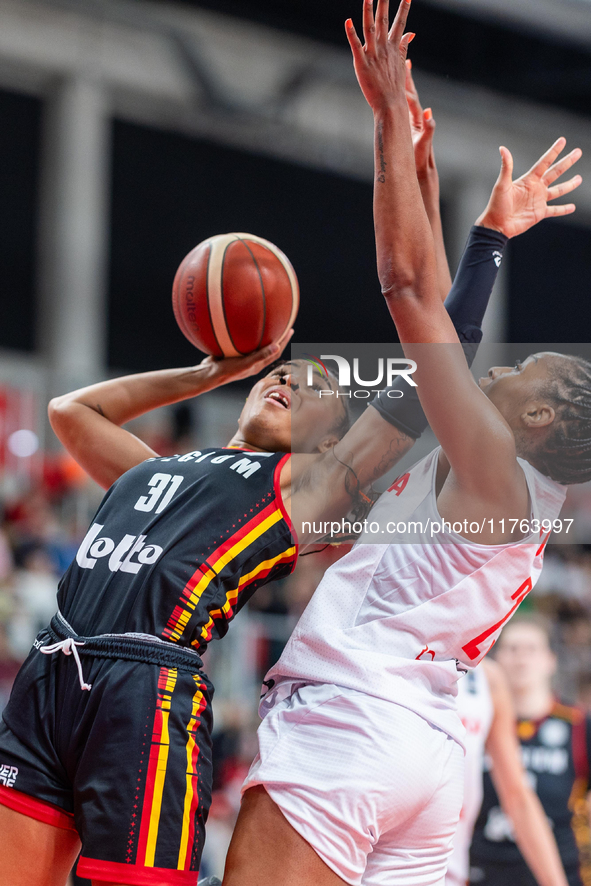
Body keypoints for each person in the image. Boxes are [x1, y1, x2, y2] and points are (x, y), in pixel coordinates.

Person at [0, 64, 516, 886]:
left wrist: (484, 240)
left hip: (148, 691)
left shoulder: (307, 487)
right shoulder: (158, 469)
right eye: (288, 372)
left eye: (317, 391)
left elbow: (433, 362)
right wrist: (207, 372)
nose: (294, 379)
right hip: (52, 671)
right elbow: (72, 412)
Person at [222, 2, 586, 886]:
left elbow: (406, 295)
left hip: (351, 721)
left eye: (527, 371)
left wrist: (386, 119)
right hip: (419, 752)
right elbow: (440, 352)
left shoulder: (495, 473)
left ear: (538, 420)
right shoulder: (500, 483)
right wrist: (471, 225)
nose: (502, 371)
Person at [470, 617, 591, 886]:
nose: (521, 659)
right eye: (512, 649)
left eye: (531, 649)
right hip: (483, 872)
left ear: (551, 660)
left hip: (561, 871)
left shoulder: (579, 725)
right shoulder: (476, 721)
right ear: (496, 659)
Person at [447, 659, 569, 886]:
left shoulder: (487, 677)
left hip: (450, 869)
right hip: (379, 864)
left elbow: (517, 796)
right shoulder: (383, 650)